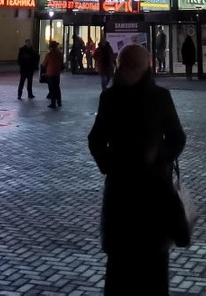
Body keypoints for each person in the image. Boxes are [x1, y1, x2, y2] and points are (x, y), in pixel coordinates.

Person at [87, 44, 187, 295]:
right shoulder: (154, 97)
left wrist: (113, 164)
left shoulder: (115, 97)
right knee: (149, 269)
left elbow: (96, 140)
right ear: (148, 65)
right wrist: (157, 158)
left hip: (130, 194)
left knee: (124, 270)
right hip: (150, 192)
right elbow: (177, 138)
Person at [42, 40, 65, 108]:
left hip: (50, 73)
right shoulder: (59, 54)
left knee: (52, 89)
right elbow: (61, 63)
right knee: (57, 88)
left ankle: (53, 103)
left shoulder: (49, 55)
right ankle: (59, 102)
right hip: (57, 73)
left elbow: (44, 64)